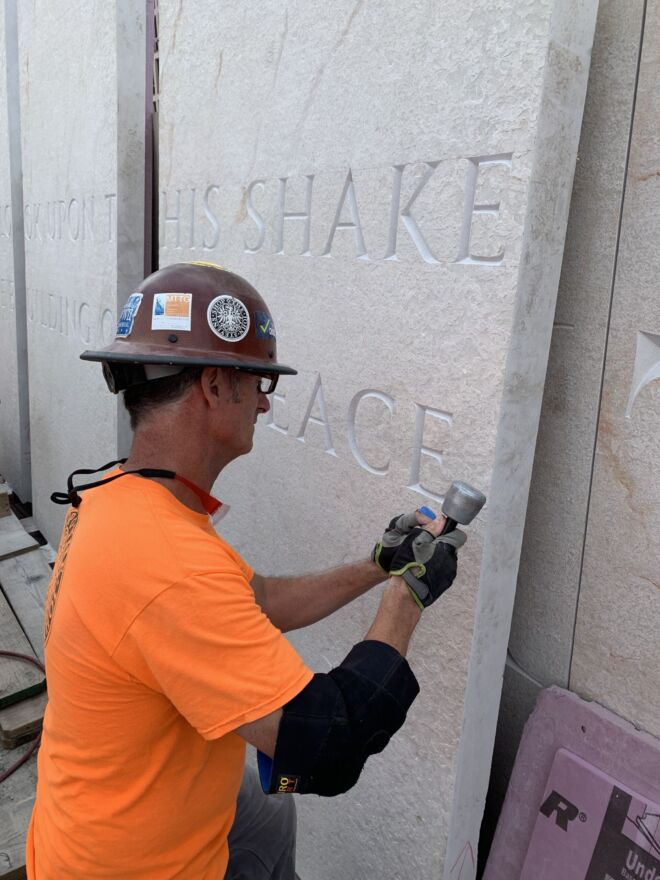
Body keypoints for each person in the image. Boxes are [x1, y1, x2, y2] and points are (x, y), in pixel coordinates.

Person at [26, 262, 466, 880]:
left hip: (109, 810)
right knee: (280, 783)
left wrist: (377, 565)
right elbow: (329, 747)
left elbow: (253, 598)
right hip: (128, 865)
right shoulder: (167, 563)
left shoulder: (129, 497)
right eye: (257, 381)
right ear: (212, 384)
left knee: (264, 808)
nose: (262, 402)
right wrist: (409, 593)